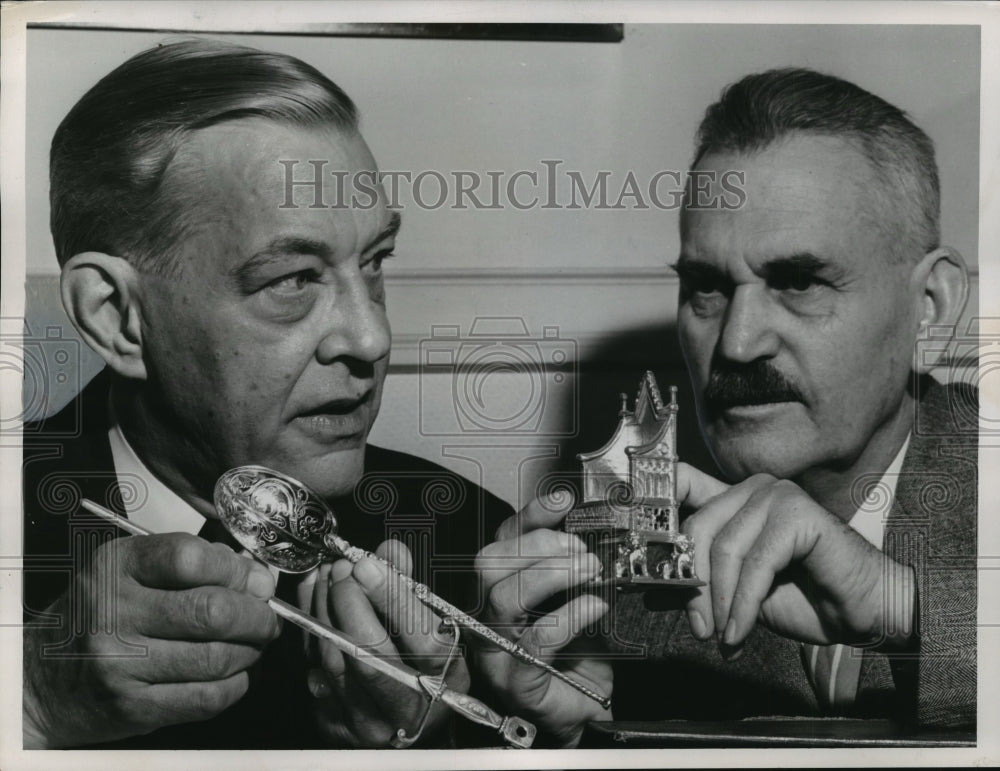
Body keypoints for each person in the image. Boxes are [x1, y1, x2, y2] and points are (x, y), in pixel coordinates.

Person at [22, 39, 511, 749]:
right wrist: (34, 702)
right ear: (117, 317)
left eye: (374, 263)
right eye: (292, 279)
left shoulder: (472, 539)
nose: (371, 338)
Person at [475, 68, 976, 746]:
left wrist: (903, 607)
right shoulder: (625, 571)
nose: (737, 343)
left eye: (799, 281)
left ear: (931, 311)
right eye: (708, 288)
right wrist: (581, 727)